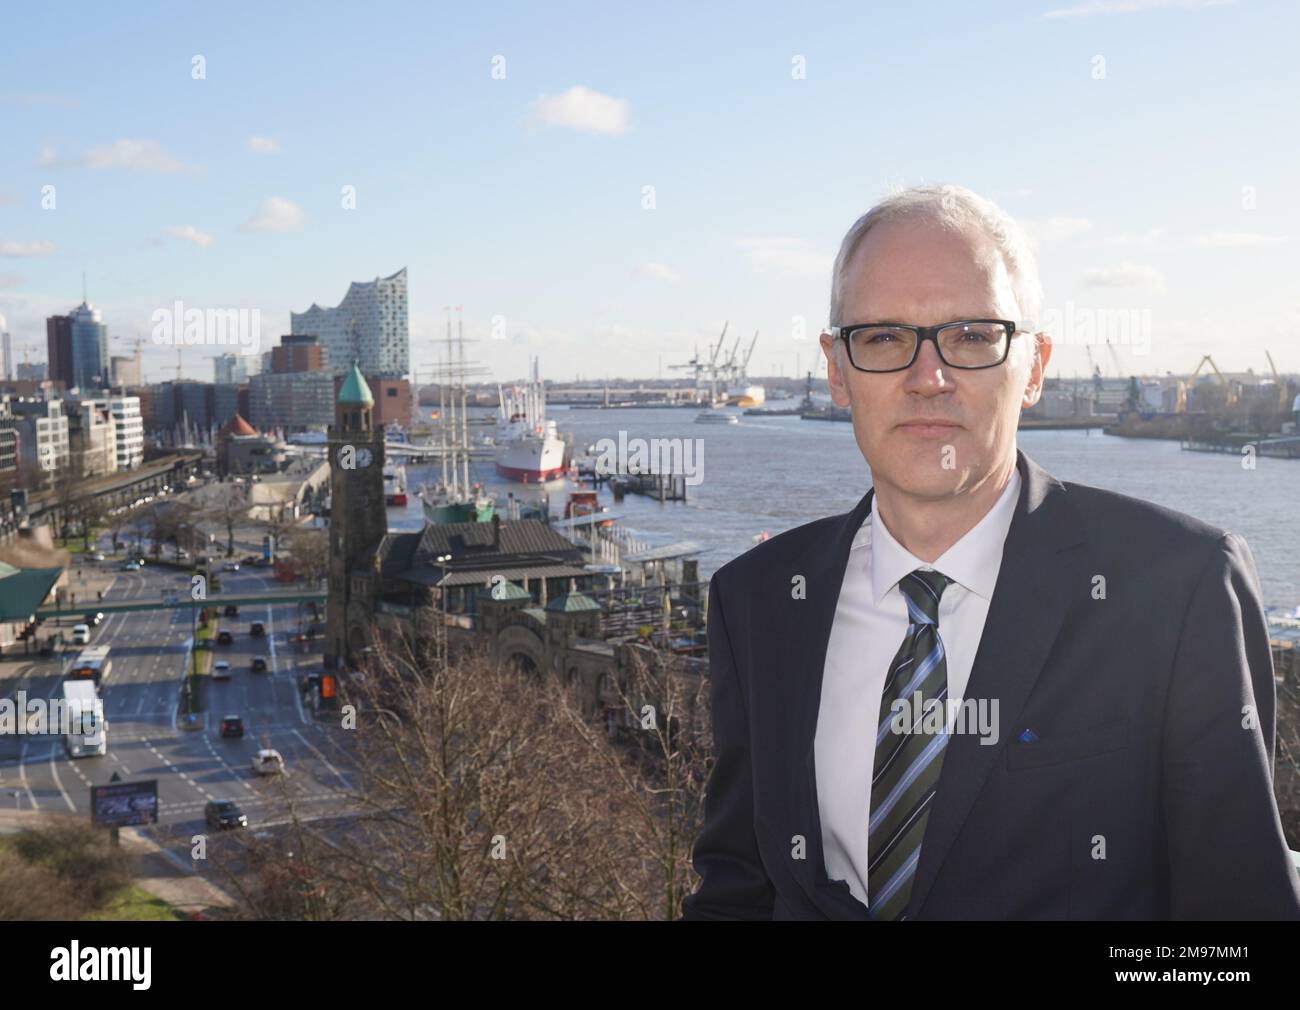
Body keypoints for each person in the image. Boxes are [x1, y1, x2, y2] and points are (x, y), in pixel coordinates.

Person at [680, 184, 1300, 921]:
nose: (927, 377)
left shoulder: (1177, 588)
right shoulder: (758, 600)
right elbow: (739, 886)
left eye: (972, 336)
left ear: (1034, 366)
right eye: (883, 337)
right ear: (836, 371)